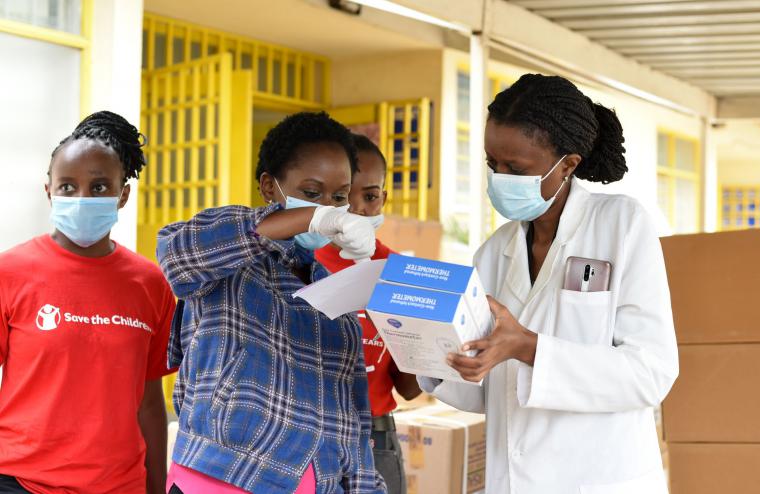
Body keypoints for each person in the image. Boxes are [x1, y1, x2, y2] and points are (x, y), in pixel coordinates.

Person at [418, 74, 679, 494]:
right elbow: (493, 393)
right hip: (514, 480)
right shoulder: (493, 252)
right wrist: (432, 354)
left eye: (515, 169)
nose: (499, 178)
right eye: (492, 165)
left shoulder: (621, 226)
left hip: (600, 479)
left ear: (568, 165)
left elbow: (651, 373)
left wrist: (527, 346)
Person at [157, 112, 386, 493]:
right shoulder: (231, 261)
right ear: (269, 186)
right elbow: (178, 255)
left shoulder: (338, 296)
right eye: (312, 194)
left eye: (339, 198)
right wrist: (311, 218)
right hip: (221, 477)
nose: (329, 209)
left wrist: (366, 485)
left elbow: (350, 417)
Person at [0, 111, 175, 493]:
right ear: (49, 191)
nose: (81, 198)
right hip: (19, 479)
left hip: (118, 484)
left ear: (122, 194)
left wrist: (156, 485)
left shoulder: (150, 283)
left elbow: (149, 401)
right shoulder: (9, 271)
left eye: (99, 187)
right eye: (67, 186)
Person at [315, 134, 421, 494]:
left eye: (371, 196)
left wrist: (435, 345)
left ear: (383, 199)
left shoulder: (399, 274)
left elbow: (409, 388)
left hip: (375, 440)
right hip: (306, 438)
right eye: (346, 196)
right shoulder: (298, 263)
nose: (358, 209)